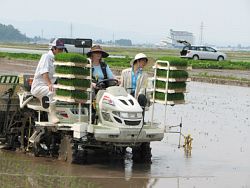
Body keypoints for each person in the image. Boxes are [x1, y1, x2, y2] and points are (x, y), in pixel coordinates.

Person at [31, 39, 66, 123]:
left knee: (60, 90)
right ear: (53, 49)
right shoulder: (46, 57)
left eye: (62, 49)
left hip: (47, 87)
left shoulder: (57, 60)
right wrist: (50, 84)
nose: (61, 51)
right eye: (59, 49)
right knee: (53, 90)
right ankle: (52, 115)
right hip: (39, 87)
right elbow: (44, 72)